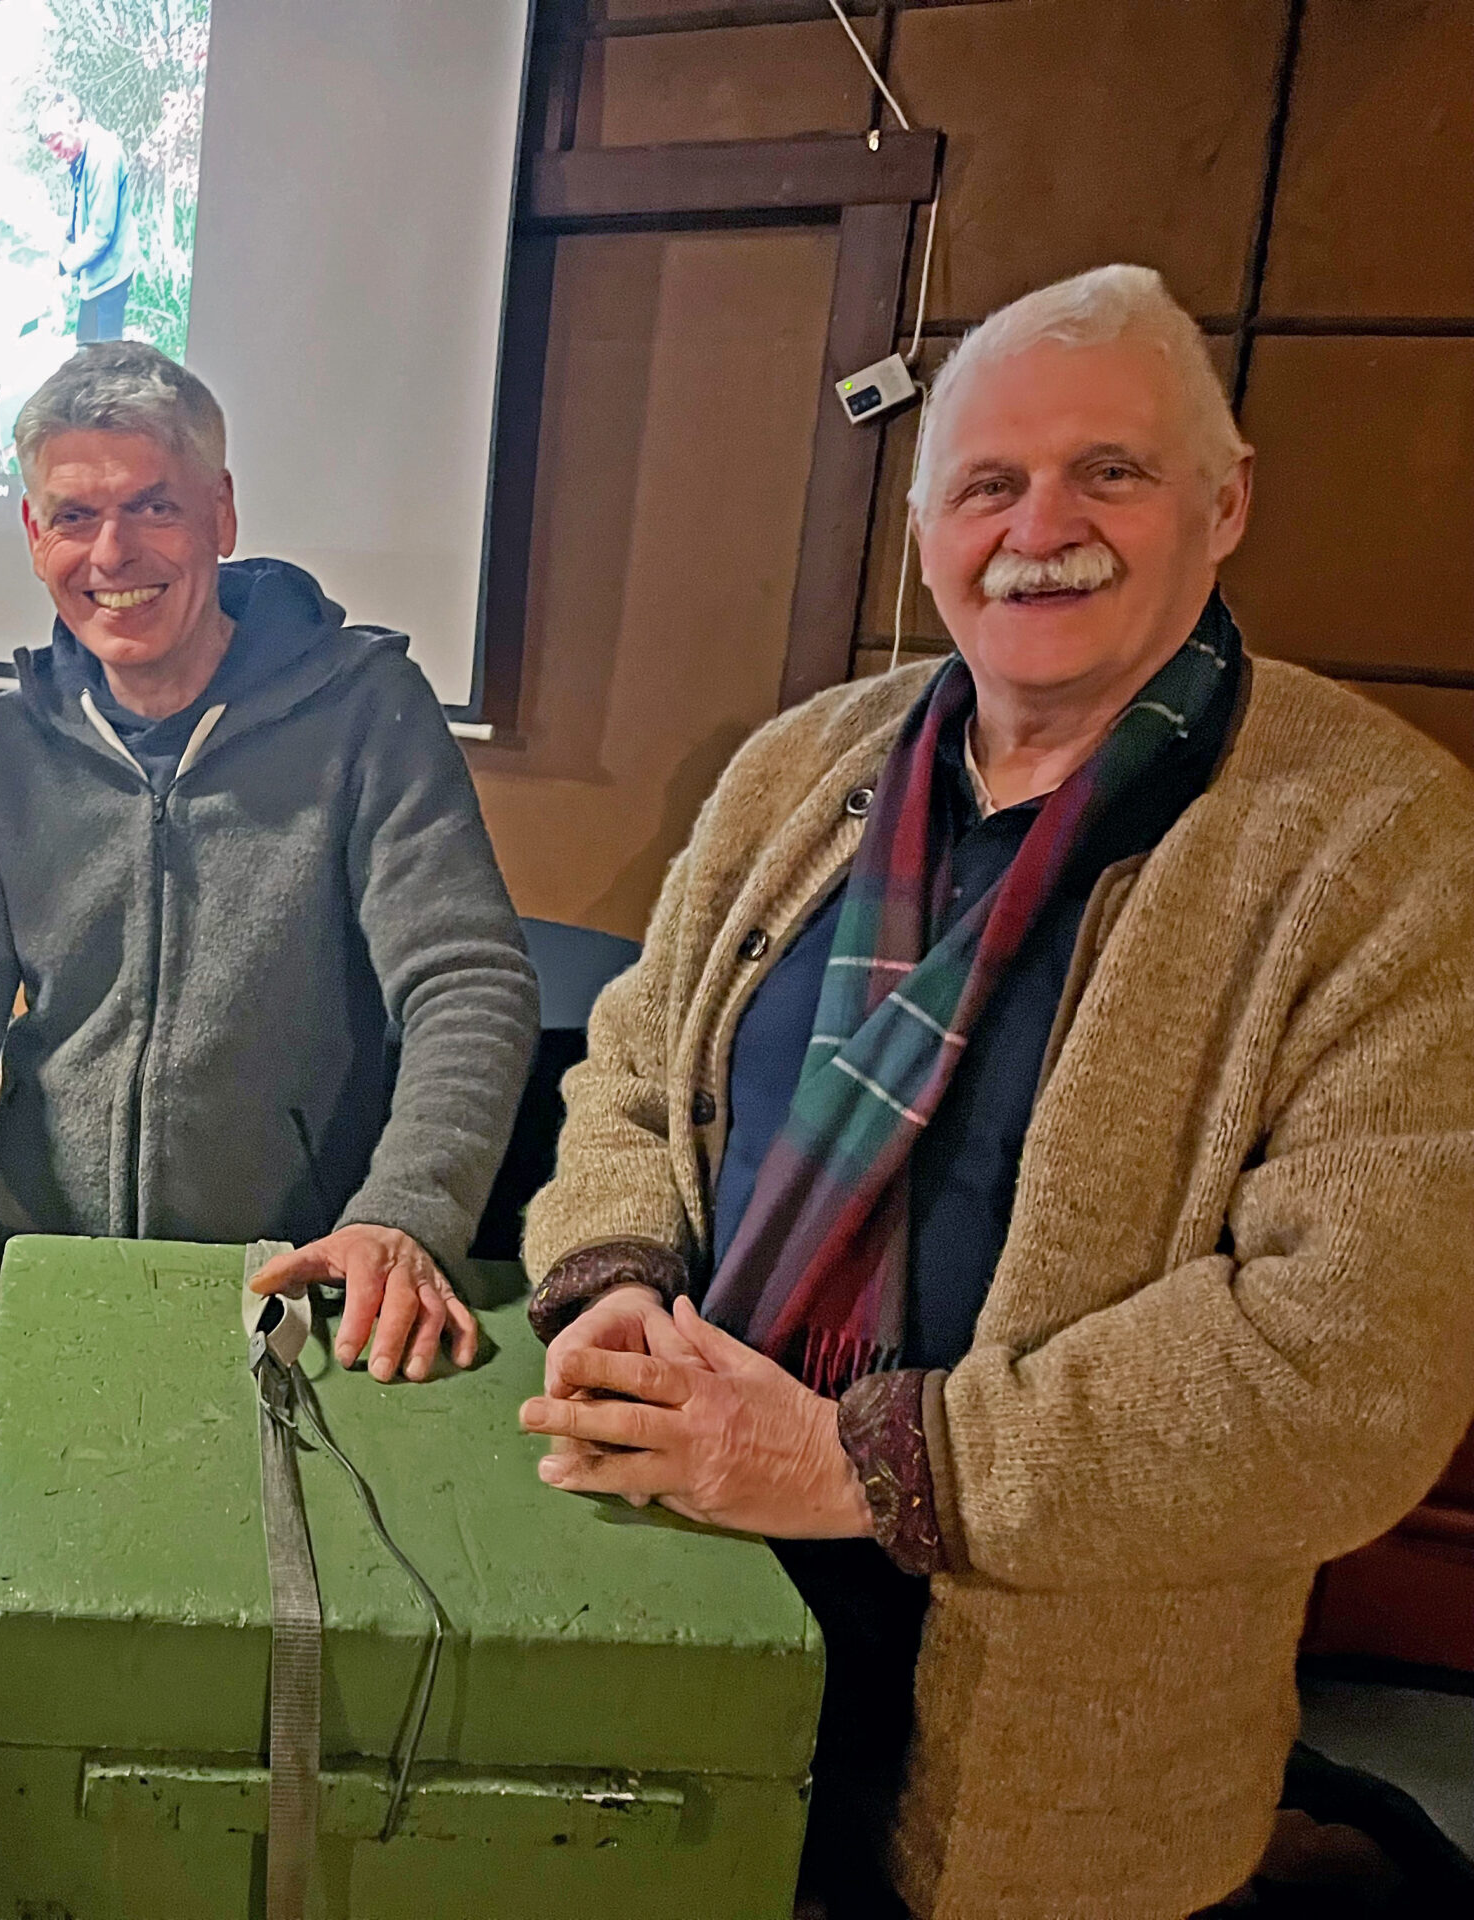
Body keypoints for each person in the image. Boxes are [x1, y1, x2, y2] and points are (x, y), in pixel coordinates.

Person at [516, 264, 1474, 1918]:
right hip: (695, 1617)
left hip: (1053, 1780)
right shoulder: (797, 769)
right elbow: (629, 1065)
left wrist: (872, 1466)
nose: (1045, 525)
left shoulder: (1384, 853)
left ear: (1223, 503)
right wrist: (608, 1281)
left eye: (1112, 470)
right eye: (988, 483)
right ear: (927, 528)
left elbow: (1355, 1368)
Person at [0, 342, 538, 1385]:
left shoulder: (365, 715)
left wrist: (409, 1214)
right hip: (46, 1266)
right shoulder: (4, 746)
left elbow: (467, 980)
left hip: (291, 1276)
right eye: (73, 515)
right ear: (34, 534)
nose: (112, 553)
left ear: (221, 514)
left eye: (154, 507)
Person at [40, 99, 139, 344]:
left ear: (73, 125)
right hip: (96, 274)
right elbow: (80, 211)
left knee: (105, 363)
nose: (57, 155)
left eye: (58, 146)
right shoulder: (81, 154)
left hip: (112, 276)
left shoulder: (103, 156)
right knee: (84, 349)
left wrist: (62, 265)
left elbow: (101, 233)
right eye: (52, 150)